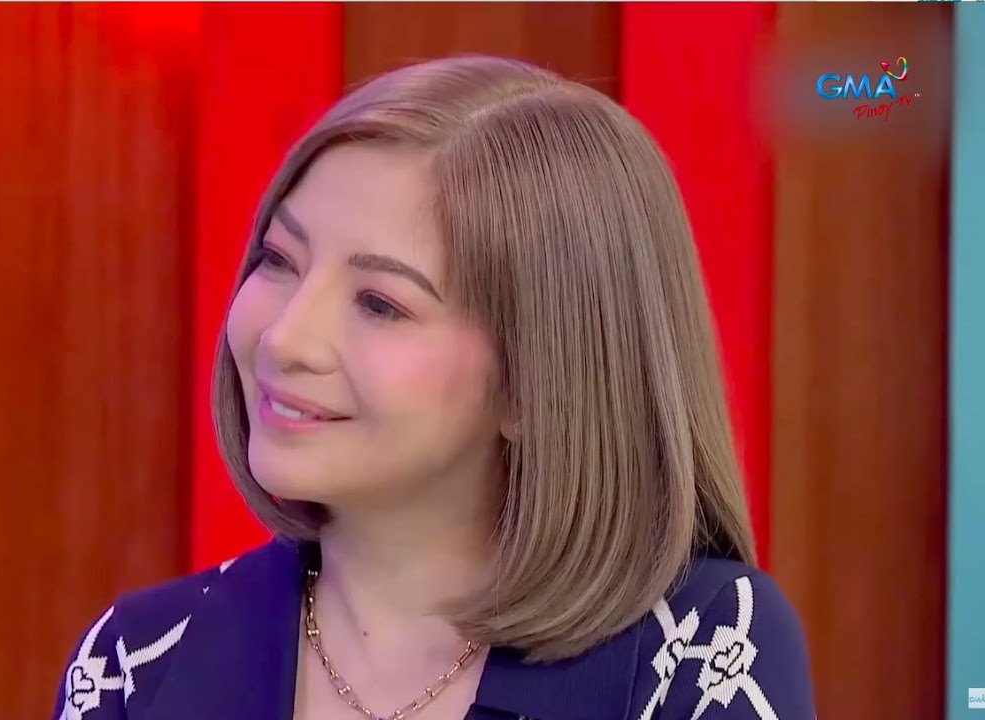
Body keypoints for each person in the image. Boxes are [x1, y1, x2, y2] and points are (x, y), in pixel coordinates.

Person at [53, 55, 815, 720]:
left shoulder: (699, 649)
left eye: (380, 304)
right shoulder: (136, 663)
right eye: (279, 261)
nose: (284, 338)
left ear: (532, 384)